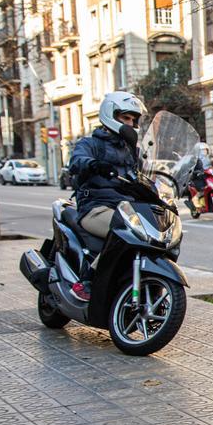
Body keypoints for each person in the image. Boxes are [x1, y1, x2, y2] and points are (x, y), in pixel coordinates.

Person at [67, 91, 147, 300]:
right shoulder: (90, 144)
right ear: (111, 115)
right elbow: (76, 161)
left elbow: (145, 175)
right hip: (96, 207)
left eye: (133, 119)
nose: (130, 123)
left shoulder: (132, 151)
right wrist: (94, 164)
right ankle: (87, 280)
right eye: (125, 118)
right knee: (125, 231)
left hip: (126, 208)